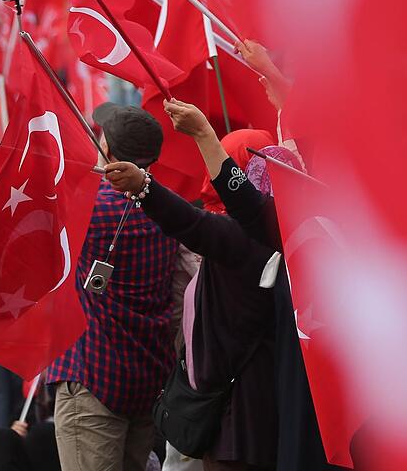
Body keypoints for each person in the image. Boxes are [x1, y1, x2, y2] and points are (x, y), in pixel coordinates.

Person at [106, 99, 344, 471]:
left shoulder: (251, 239)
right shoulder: (300, 237)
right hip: (277, 416)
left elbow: (194, 222)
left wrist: (146, 185)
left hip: (239, 424)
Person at [45, 103, 175, 471]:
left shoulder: (92, 208)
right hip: (145, 378)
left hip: (93, 380)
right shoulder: (169, 210)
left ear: (112, 155)